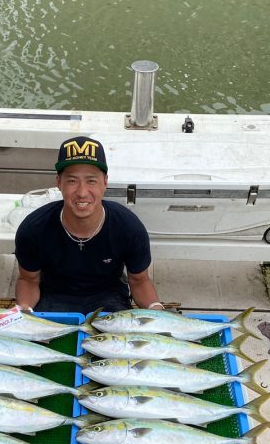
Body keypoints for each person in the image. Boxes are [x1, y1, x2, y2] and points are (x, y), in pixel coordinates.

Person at [14, 135, 165, 315]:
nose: (82, 192)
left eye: (91, 180)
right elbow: (28, 280)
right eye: (72, 181)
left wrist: (156, 309)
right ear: (59, 183)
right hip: (54, 297)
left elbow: (139, 281)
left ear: (105, 182)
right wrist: (25, 310)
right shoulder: (33, 229)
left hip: (109, 297)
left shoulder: (129, 228)